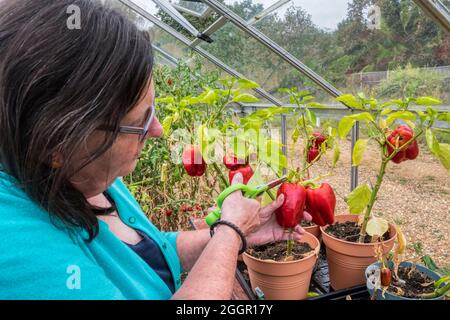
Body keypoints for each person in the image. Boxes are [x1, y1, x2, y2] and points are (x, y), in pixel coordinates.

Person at [0, 0, 309, 299]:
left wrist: (233, 234)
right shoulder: (14, 244)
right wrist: (229, 234)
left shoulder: (93, 174)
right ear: (56, 142)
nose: (158, 129)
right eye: (141, 120)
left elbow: (154, 252)